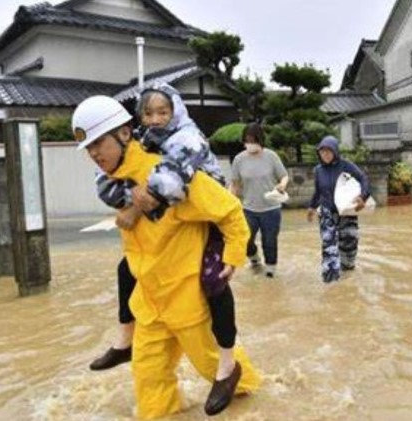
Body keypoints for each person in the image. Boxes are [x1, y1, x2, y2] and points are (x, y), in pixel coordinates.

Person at [72, 95, 261, 418]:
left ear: (124, 134)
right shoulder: (117, 185)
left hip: (188, 302)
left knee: (221, 372)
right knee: (148, 379)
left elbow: (229, 209)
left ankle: (260, 400)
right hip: (150, 304)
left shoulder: (171, 176)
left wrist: (232, 257)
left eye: (99, 143)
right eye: (88, 148)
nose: (93, 153)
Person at [89, 82, 238, 388]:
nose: (155, 118)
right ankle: (124, 339)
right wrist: (131, 197)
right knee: (125, 269)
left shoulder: (188, 137)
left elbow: (170, 183)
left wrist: (133, 206)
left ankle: (228, 362)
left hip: (208, 218)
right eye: (148, 113)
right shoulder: (144, 143)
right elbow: (110, 183)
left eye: (163, 112)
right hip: (157, 285)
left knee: (214, 280)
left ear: (175, 112)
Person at [306, 135, 371, 283]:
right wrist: (311, 207)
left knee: (349, 244)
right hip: (327, 212)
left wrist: (363, 197)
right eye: (322, 152)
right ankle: (330, 279)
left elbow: (363, 179)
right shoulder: (318, 170)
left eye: (329, 151)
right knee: (328, 245)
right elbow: (318, 191)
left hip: (346, 211)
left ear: (335, 151)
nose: (326, 155)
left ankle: (348, 270)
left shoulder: (346, 166)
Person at [230, 123, 289, 278]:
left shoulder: (271, 156)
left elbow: (284, 175)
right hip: (249, 209)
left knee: (269, 242)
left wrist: (282, 185)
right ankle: (255, 259)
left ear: (260, 140)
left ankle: (270, 271)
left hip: (271, 209)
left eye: (253, 140)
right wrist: (230, 202)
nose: (250, 143)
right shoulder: (239, 159)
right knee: (244, 239)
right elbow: (235, 183)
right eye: (247, 140)